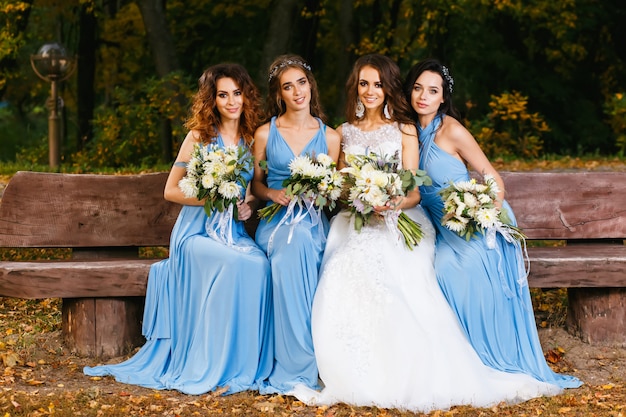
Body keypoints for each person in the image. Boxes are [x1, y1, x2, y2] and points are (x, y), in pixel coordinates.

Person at [291, 53, 565, 412]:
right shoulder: (348, 132)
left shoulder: (420, 129)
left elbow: (417, 189)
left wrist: (479, 208)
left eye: (378, 84)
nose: (371, 91)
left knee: (426, 271)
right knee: (346, 267)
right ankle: (354, 365)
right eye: (364, 83)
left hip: (458, 218)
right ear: (355, 88)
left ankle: (484, 352)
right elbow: (343, 185)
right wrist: (360, 195)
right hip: (377, 218)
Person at [84, 63, 273, 395]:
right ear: (212, 100)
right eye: (223, 95)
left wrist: (247, 205)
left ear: (246, 96)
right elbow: (170, 191)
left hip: (233, 233)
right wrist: (212, 196)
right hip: (195, 235)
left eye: (237, 94)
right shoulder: (199, 136)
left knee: (258, 264)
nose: (232, 102)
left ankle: (240, 363)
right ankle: (208, 360)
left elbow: (252, 192)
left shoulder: (250, 138)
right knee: (233, 264)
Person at [404, 58, 582, 389]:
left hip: (475, 224)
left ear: (443, 98)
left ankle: (488, 356)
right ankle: (458, 356)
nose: (423, 97)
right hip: (443, 230)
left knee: (457, 271)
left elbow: (493, 178)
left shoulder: (452, 130)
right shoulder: (407, 132)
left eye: (432, 91)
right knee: (437, 270)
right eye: (417, 88)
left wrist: (485, 213)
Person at [251, 54, 341, 395]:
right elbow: (255, 185)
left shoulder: (330, 138)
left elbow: (333, 191)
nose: (297, 91)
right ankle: (297, 363)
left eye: (301, 83)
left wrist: (320, 192)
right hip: (276, 220)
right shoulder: (264, 133)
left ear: (310, 86)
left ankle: (309, 355)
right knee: (292, 243)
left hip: (313, 220)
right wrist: (272, 193)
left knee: (304, 239)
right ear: (279, 95)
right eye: (288, 86)